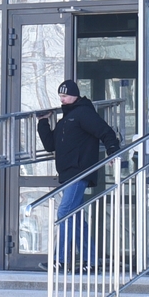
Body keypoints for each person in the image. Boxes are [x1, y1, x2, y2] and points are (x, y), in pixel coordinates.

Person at [36, 79, 121, 238]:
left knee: (64, 212)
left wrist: (112, 150)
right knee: (76, 220)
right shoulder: (64, 121)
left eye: (65, 96)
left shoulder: (83, 113)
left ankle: (60, 255)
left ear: (75, 95)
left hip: (79, 173)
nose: (62, 100)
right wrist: (42, 122)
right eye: (60, 96)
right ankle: (89, 254)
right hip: (68, 174)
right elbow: (50, 145)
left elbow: (105, 131)